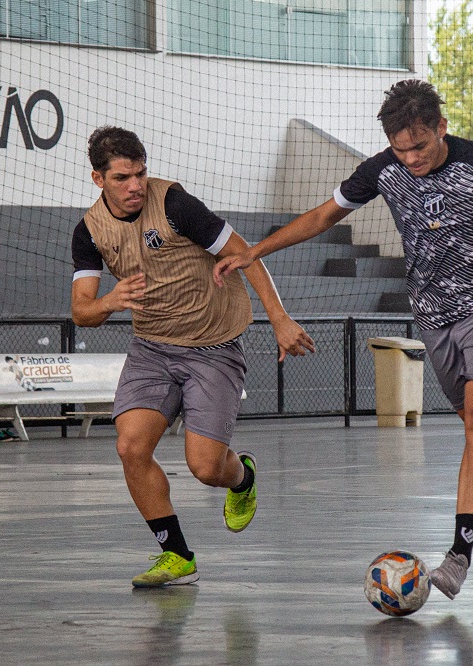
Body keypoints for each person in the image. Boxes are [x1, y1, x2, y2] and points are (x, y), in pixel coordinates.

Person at [214, 80, 473, 599]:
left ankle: (459, 554)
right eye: (399, 148)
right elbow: (324, 216)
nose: (409, 158)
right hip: (433, 316)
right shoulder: (382, 170)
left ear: (442, 127)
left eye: (419, 145)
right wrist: (257, 251)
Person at [71, 126, 315, 587]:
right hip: (152, 349)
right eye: (122, 177)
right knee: (130, 447)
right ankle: (176, 555)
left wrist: (279, 319)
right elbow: (82, 310)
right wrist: (109, 301)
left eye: (141, 173)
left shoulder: (177, 206)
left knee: (206, 467)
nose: (136, 185)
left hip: (213, 347)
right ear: (98, 179)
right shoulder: (89, 232)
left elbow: (246, 254)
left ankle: (241, 478)